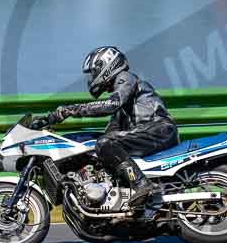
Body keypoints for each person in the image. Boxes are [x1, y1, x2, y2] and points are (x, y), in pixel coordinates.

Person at [31, 46, 178, 208]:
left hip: (158, 129)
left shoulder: (126, 78)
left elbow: (111, 104)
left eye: (94, 72)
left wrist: (70, 110)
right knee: (101, 145)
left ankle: (141, 184)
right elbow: (110, 132)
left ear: (107, 65)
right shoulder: (123, 104)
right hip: (148, 132)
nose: (92, 78)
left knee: (104, 143)